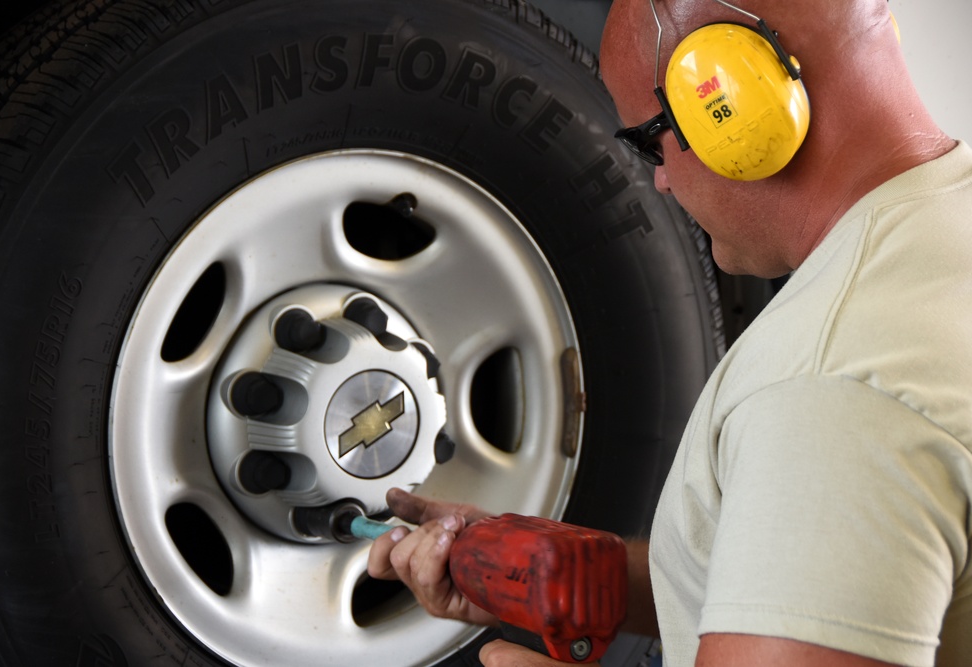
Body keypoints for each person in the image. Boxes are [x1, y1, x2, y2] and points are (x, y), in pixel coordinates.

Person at [367, 0, 972, 665]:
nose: (658, 179)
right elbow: (822, 584)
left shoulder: (826, 386)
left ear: (732, 97)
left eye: (652, 142)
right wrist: (570, 572)